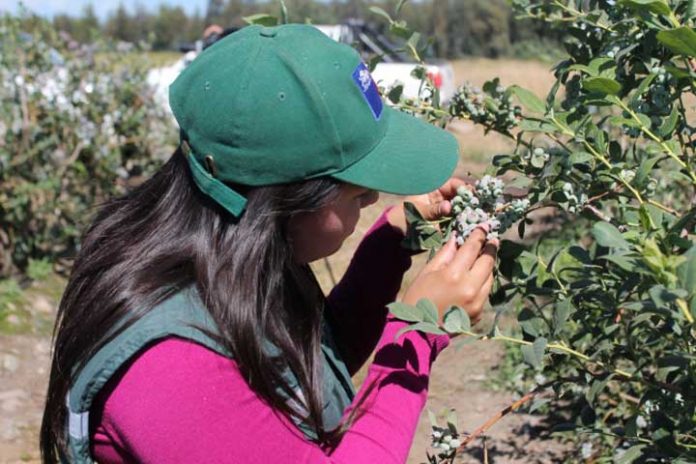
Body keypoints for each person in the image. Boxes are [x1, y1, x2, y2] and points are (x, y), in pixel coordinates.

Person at [40, 24, 498, 463]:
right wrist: (417, 334)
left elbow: (309, 369)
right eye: (358, 191)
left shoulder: (226, 251)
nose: (375, 197)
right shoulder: (166, 368)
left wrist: (393, 239)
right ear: (285, 201)